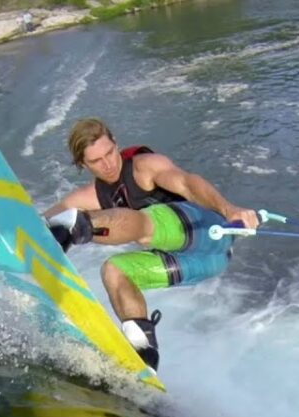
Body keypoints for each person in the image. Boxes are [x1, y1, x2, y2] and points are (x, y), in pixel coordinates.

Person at [42, 118, 259, 372]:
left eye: (109, 153)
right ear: (82, 164)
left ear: (116, 144)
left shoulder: (144, 167)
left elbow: (188, 184)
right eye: (96, 161)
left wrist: (229, 210)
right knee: (114, 270)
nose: (108, 164)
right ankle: (144, 350)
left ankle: (77, 227)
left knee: (145, 226)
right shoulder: (89, 196)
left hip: (208, 231)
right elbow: (39, 221)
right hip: (205, 263)